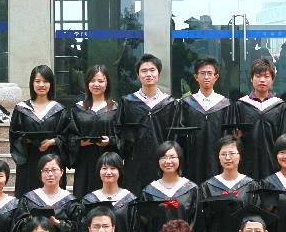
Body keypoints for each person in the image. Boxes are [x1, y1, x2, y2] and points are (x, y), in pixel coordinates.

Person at [133, 141, 199, 232]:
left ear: (180, 159)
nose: (168, 161)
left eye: (172, 157)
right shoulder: (148, 192)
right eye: (163, 157)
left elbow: (196, 222)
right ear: (158, 161)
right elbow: (143, 228)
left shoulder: (191, 189)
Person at [116, 53, 179, 193]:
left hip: (163, 162)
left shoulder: (169, 103)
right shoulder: (128, 102)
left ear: (159, 73)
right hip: (135, 163)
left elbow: (174, 136)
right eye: (144, 71)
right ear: (138, 75)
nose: (148, 74)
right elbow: (120, 133)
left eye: (152, 70)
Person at [9, 65, 70, 197]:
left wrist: (53, 141)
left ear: (51, 84)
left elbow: (68, 136)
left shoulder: (59, 109)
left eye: (45, 81)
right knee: (28, 196)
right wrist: (26, 139)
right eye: (37, 81)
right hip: (29, 159)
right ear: (32, 83)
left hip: (52, 158)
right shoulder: (21, 109)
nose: (41, 85)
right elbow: (14, 134)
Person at [198, 136, 253, 232]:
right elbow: (202, 222)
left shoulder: (251, 185)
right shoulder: (207, 186)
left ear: (240, 156)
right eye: (223, 154)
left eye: (232, 153)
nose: (228, 158)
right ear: (218, 157)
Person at [229, 57, 286, 180]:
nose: (262, 80)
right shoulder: (241, 105)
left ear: (272, 79)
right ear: (251, 79)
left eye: (266, 76)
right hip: (246, 163)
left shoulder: (280, 106)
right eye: (258, 76)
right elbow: (233, 138)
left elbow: (284, 137)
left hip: (273, 163)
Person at [177, 56, 233, 185]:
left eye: (209, 73)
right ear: (196, 77)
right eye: (202, 73)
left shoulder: (224, 104)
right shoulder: (186, 103)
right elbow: (180, 136)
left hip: (218, 161)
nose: (206, 77)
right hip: (192, 160)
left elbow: (228, 136)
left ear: (216, 77)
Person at [68, 65, 119, 200]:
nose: (96, 84)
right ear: (87, 83)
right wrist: (79, 143)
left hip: (108, 162)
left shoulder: (115, 108)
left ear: (107, 83)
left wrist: (111, 141)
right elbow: (70, 135)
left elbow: (123, 136)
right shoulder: (77, 108)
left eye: (100, 81)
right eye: (92, 80)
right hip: (85, 163)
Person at [16, 154, 82, 232]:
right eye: (46, 170)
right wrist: (31, 220)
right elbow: (17, 229)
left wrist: (58, 223)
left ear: (62, 172)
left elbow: (79, 230)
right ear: (40, 173)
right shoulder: (29, 199)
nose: (50, 174)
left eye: (54, 170)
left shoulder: (71, 201)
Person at [79, 152, 138, 232]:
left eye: (113, 168)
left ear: (120, 171)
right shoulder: (89, 201)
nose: (108, 172)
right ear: (99, 171)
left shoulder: (130, 200)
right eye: (104, 168)